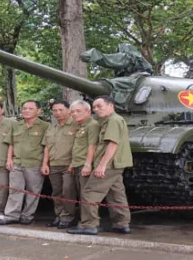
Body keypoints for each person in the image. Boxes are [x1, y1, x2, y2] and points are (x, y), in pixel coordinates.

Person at [68, 95, 133, 235]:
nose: (96, 109)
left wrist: (102, 165)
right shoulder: (109, 121)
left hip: (109, 164)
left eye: (100, 106)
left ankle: (89, 225)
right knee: (116, 194)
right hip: (116, 164)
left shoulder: (113, 121)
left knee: (90, 192)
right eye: (94, 107)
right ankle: (121, 224)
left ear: (111, 106)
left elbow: (112, 144)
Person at [0, 100, 50, 225]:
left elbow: (47, 146)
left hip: (35, 163)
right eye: (24, 108)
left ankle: (27, 215)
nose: (26, 111)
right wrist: (9, 159)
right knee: (15, 189)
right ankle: (11, 215)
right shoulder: (16, 125)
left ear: (38, 111)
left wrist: (45, 163)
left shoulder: (45, 126)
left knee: (33, 191)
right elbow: (11, 143)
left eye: (30, 108)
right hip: (17, 163)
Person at [40, 100, 77, 229]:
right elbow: (46, 147)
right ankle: (59, 215)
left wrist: (73, 163)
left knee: (68, 191)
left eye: (61, 110)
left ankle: (68, 217)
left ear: (68, 110)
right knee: (56, 192)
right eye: (55, 110)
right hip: (54, 164)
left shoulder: (75, 125)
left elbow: (79, 147)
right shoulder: (52, 127)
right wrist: (45, 163)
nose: (58, 113)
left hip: (68, 164)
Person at [66, 100, 100, 228]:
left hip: (84, 165)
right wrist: (72, 163)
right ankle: (84, 221)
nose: (74, 114)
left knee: (87, 195)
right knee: (82, 195)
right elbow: (78, 147)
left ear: (88, 111)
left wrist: (88, 164)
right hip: (77, 163)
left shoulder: (92, 125)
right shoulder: (80, 126)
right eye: (72, 112)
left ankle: (89, 224)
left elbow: (93, 145)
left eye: (78, 111)